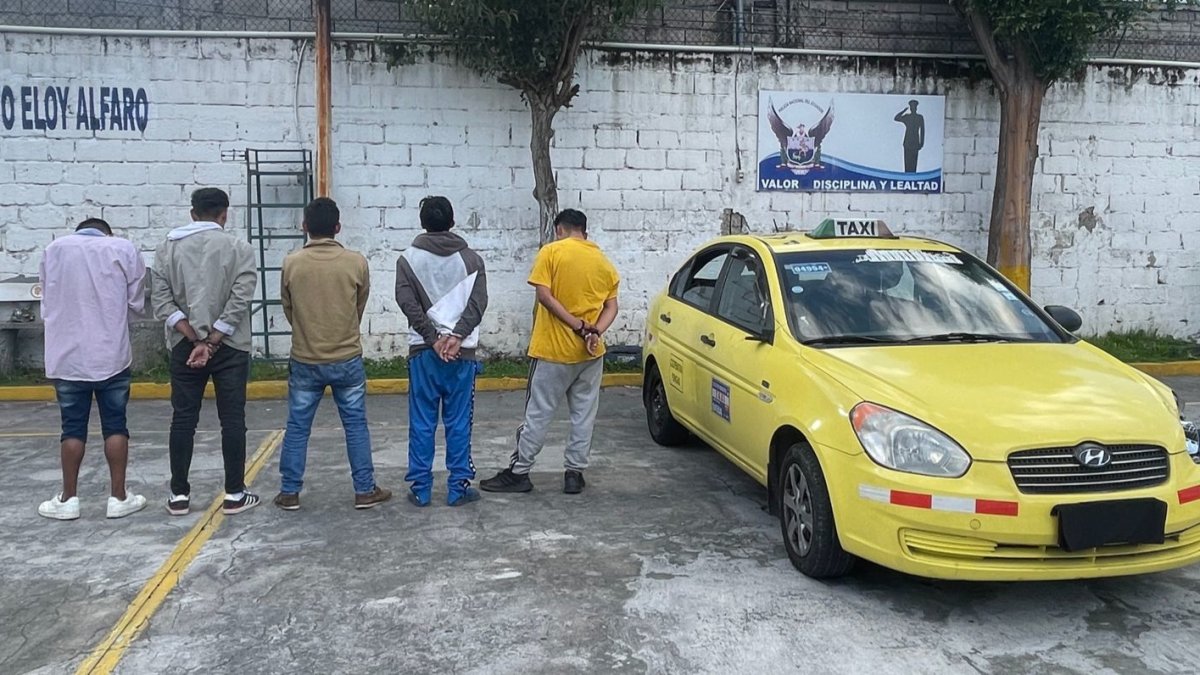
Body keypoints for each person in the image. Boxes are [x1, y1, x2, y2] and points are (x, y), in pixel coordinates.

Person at [480, 209, 619, 495]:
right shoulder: (604, 262)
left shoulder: (551, 252)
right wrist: (594, 332)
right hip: (591, 354)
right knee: (583, 415)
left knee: (538, 413)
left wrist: (578, 326)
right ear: (585, 232)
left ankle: (520, 472)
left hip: (553, 351)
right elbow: (611, 307)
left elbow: (544, 296)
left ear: (559, 229)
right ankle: (574, 473)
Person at [274, 197, 391, 511]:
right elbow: (359, 306)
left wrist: (307, 331)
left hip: (305, 357)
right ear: (337, 228)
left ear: (305, 227)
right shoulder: (356, 262)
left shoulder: (291, 262)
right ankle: (364, 489)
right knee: (355, 425)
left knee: (298, 426)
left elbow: (289, 308)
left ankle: (289, 491)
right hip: (346, 356)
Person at [151, 188, 260, 516]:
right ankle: (234, 493)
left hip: (185, 344)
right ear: (224, 215)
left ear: (193, 212)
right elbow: (241, 298)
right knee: (232, 419)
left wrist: (193, 337)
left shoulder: (167, 248)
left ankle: (179, 495)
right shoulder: (239, 248)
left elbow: (161, 299)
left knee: (183, 418)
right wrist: (212, 340)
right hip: (229, 345)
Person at [37, 218, 148, 520]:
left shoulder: (54, 249)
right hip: (110, 353)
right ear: (107, 232)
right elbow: (136, 302)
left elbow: (46, 301)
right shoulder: (122, 248)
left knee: (71, 427)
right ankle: (118, 497)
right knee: (115, 424)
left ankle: (69, 498)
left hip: (67, 356)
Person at [395, 196, 488, 507]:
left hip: (424, 352)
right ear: (452, 221)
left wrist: (433, 338)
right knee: (459, 420)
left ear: (423, 223)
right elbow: (478, 304)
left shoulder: (407, 259)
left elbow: (407, 303)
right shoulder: (472, 260)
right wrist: (457, 335)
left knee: (422, 420)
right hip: (461, 354)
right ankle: (458, 487)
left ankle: (421, 488)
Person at [894, 99, 925, 173]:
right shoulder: (907, 117)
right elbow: (896, 118)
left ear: (916, 108)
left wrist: (921, 143)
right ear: (910, 108)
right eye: (911, 107)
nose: (913, 108)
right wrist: (903, 110)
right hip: (907, 142)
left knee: (914, 162)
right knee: (907, 162)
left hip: (915, 142)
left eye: (914, 107)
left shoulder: (919, 117)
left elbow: (922, 130)